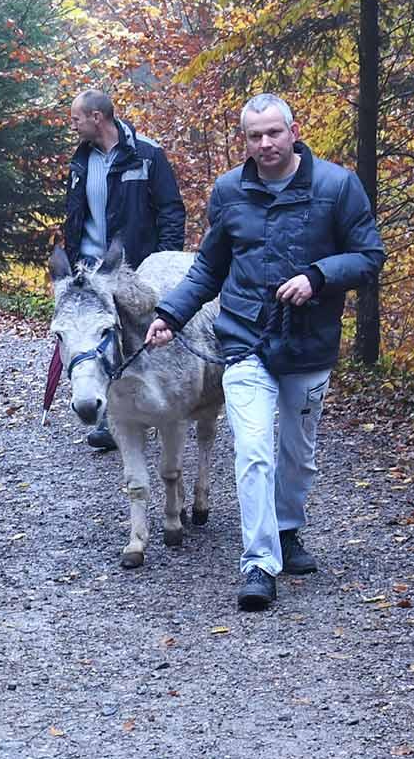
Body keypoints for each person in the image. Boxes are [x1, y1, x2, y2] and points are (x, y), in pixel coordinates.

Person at [144, 93, 383, 613]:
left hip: (309, 343)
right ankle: (258, 562)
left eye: (274, 133)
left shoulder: (338, 187)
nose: (265, 143)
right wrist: (169, 315)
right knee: (252, 449)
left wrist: (317, 277)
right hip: (245, 341)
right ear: (245, 140)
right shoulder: (229, 191)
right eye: (255, 136)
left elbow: (369, 257)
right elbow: (209, 269)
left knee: (297, 453)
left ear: (293, 132)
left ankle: (288, 529)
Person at [63, 87, 188, 452]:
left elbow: (170, 209)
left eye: (75, 119)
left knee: (140, 339)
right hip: (89, 268)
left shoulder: (146, 154)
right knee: (97, 339)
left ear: (96, 118)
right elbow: (75, 214)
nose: (73, 126)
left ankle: (159, 404)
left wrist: (164, 261)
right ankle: (111, 417)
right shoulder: (80, 160)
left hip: (137, 268)